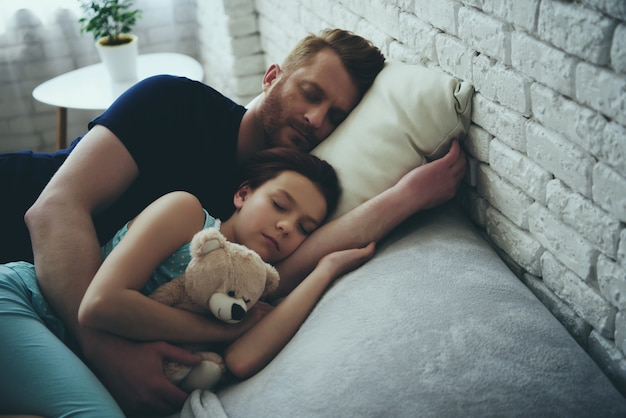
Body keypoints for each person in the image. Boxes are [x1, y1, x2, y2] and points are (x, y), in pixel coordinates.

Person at [0, 28, 466, 416]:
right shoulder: (174, 101)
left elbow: (300, 258)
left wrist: (406, 197)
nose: (315, 119)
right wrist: (105, 353)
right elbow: (52, 211)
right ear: (271, 77)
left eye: (334, 116)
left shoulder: (263, 201)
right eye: (311, 93)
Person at [0, 148, 375, 417]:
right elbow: (101, 304)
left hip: (67, 356)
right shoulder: (188, 213)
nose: (286, 226)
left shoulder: (250, 285)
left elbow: (241, 361)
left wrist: (325, 270)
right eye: (279, 205)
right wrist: (220, 330)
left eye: (304, 228)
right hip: (24, 304)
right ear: (243, 194)